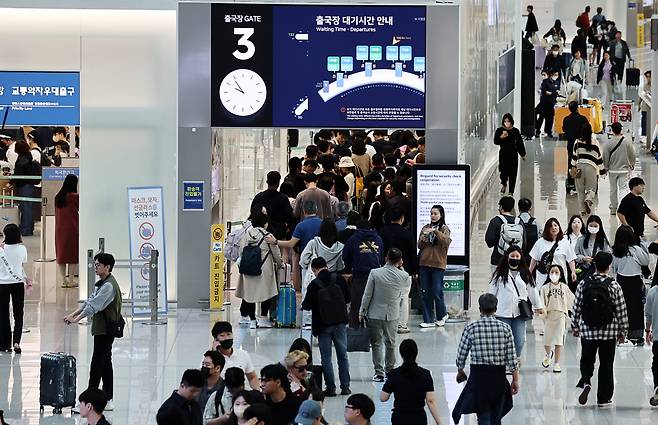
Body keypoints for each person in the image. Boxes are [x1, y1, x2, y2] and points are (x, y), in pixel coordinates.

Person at [65, 252, 122, 412]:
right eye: (95, 264)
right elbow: (88, 301)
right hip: (102, 329)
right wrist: (73, 314)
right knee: (105, 363)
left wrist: (76, 319)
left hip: (105, 331)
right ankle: (108, 398)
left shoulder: (109, 286)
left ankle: (89, 402)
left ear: (107, 267)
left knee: (97, 364)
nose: (95, 267)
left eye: (98, 265)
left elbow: (93, 306)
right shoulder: (103, 283)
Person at [571, 252, 628, 407]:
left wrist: (575, 326)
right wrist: (623, 331)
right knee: (606, 364)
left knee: (587, 360)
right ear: (609, 267)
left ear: (595, 265)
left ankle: (587, 382)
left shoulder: (584, 283)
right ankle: (603, 398)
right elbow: (621, 310)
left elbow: (576, 306)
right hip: (608, 332)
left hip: (588, 331)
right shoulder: (614, 285)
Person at [453, 294, 519, 425]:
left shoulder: (471, 328)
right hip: (498, 379)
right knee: (496, 417)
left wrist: (460, 370)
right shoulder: (505, 329)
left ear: (479, 308)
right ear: (496, 309)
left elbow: (461, 355)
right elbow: (512, 359)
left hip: (479, 378)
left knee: (483, 416)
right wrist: (515, 380)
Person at [301, 257, 351, 397]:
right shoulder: (339, 279)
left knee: (326, 357)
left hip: (323, 325)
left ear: (314, 269)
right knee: (343, 356)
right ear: (326, 266)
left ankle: (331, 388)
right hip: (340, 322)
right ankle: (345, 387)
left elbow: (307, 305)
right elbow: (348, 298)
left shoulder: (314, 284)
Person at [359, 248, 410, 381]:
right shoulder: (403, 276)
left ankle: (379, 372)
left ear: (386, 258)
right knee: (391, 343)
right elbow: (406, 285)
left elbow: (367, 294)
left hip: (374, 313)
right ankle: (390, 370)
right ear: (399, 261)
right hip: (392, 315)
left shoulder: (375, 273)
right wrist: (401, 266)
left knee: (376, 344)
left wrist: (362, 311)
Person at [488, 245, 544, 364]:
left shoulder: (525, 273)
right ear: (507, 257)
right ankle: (504, 361)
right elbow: (492, 291)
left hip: (519, 313)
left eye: (517, 256)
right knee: (503, 340)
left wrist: (539, 306)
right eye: (512, 256)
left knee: (519, 340)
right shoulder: (499, 273)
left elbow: (532, 291)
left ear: (521, 257)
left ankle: (515, 360)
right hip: (502, 312)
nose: (515, 258)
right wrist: (489, 308)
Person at [236, 212, 282, 329]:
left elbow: (241, 251)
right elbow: (276, 253)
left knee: (249, 294)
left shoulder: (247, 234)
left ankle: (252, 321)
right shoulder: (268, 236)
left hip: (249, 268)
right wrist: (280, 264)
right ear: (265, 223)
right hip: (264, 268)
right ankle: (263, 318)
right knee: (266, 293)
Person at [380, 339, 442, 425]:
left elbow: (383, 398)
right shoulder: (426, 374)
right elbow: (430, 401)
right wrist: (439, 422)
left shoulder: (394, 374)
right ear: (416, 353)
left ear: (401, 354)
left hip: (399, 418)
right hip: (419, 418)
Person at [299, 219, 344, 329]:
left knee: (309, 297)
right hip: (329, 279)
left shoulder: (313, 243)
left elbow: (303, 260)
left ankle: (308, 322)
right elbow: (340, 266)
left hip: (313, 276)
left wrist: (308, 266)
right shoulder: (340, 247)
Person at [378, 207, 416, 333]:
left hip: (386, 268)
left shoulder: (382, 233)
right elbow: (412, 254)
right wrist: (415, 271)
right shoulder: (407, 234)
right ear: (402, 218)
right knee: (404, 297)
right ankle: (401, 325)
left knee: (386, 297)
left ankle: (387, 324)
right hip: (404, 270)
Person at [612, 225, 650, 345]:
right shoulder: (636, 249)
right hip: (635, 281)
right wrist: (642, 244)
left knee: (621, 307)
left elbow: (615, 267)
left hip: (621, 280)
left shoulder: (616, 251)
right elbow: (645, 261)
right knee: (637, 307)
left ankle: (621, 333)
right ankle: (637, 334)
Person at [343, 221, 383, 328]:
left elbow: (345, 256)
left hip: (359, 276)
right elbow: (382, 257)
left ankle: (355, 330)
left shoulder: (353, 239)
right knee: (374, 305)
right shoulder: (378, 239)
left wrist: (353, 265)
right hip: (376, 277)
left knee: (356, 305)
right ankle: (374, 331)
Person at [417, 205, 452, 328]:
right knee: (425, 292)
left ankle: (441, 315)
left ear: (441, 215)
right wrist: (424, 237)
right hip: (424, 263)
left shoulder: (444, 229)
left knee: (437, 291)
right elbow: (419, 245)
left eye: (435, 214)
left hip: (438, 264)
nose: (433, 216)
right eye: (431, 213)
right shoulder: (426, 227)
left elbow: (446, 241)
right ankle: (428, 319)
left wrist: (435, 232)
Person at [539, 265, 575, 373]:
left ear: (561, 274)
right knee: (547, 340)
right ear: (549, 274)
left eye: (556, 272)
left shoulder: (564, 287)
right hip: (549, 316)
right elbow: (541, 303)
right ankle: (549, 353)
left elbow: (571, 300)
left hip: (561, 316)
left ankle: (557, 363)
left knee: (559, 340)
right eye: (552, 272)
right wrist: (541, 311)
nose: (554, 274)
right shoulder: (544, 288)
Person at [0, 224, 29, 354]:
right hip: (17, 283)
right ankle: (16, 342)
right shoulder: (22, 249)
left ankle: (5, 344)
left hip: (2, 284)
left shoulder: (1, 249)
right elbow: (21, 265)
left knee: (3, 314)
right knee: (18, 314)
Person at [529, 218, 577, 288]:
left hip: (559, 276)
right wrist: (529, 271)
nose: (553, 228)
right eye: (551, 226)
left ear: (559, 227)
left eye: (555, 225)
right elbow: (534, 258)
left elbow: (571, 259)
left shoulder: (565, 242)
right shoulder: (540, 242)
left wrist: (573, 272)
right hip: (543, 277)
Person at [211, 321, 260, 390]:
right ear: (215, 339)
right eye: (222, 335)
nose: (227, 338)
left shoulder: (243, 354)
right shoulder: (209, 358)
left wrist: (257, 393)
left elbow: (252, 377)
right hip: (220, 396)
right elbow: (206, 380)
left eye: (229, 334)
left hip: (241, 395)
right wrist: (214, 354)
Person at [570, 122, 605, 215]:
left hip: (579, 168)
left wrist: (572, 168)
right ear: (591, 131)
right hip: (591, 168)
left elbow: (574, 157)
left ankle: (582, 211)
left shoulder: (577, 142)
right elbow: (599, 159)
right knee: (591, 189)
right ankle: (588, 199)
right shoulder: (595, 142)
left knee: (580, 190)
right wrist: (602, 172)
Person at [250, 171, 295, 241]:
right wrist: (288, 229)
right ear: (278, 183)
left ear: (267, 181)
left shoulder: (259, 197)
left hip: (261, 235)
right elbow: (289, 217)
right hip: (278, 235)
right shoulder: (283, 198)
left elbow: (252, 213)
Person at [602, 122, 635, 214]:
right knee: (623, 189)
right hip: (624, 170)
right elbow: (632, 154)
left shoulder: (608, 143)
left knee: (613, 189)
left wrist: (606, 167)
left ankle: (613, 208)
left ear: (612, 130)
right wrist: (632, 164)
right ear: (621, 130)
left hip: (612, 170)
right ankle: (622, 207)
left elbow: (605, 156)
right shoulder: (627, 141)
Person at [54, 173, 79, 288]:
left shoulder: (58, 197)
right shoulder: (75, 196)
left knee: (62, 254)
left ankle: (63, 280)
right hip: (72, 227)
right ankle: (71, 280)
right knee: (73, 254)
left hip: (59, 228)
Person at [485, 196, 522, 273]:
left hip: (497, 260)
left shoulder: (495, 221)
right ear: (512, 208)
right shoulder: (519, 222)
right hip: (514, 261)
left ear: (501, 207)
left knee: (497, 283)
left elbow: (489, 242)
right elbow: (524, 244)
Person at [493, 113, 526, 196]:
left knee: (513, 173)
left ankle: (511, 191)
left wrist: (523, 154)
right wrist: (501, 137)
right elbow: (496, 141)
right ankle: (504, 183)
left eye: (508, 121)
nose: (507, 123)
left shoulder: (515, 131)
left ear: (511, 122)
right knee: (503, 171)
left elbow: (519, 143)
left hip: (513, 155)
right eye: (505, 121)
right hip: (503, 154)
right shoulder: (499, 130)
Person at [574, 215, 611, 285]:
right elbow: (575, 255)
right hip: (585, 272)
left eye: (595, 226)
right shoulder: (581, 240)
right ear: (587, 226)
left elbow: (608, 255)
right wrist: (583, 258)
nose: (593, 228)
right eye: (591, 225)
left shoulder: (603, 241)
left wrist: (600, 259)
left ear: (599, 227)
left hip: (600, 273)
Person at [562, 102, 589, 194]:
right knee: (584, 161)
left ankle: (571, 181)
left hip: (571, 145)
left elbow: (564, 129)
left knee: (571, 162)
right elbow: (588, 130)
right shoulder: (583, 119)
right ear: (577, 108)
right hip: (582, 144)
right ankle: (583, 180)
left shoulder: (566, 119)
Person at [12, 140, 37, 236]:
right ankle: (27, 228)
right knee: (27, 207)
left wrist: (11, 181)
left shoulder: (22, 159)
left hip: (24, 185)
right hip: (28, 185)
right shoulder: (28, 156)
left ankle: (26, 229)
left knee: (25, 208)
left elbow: (18, 173)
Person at [198, 350, 226, 417]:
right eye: (203, 364)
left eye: (207, 365)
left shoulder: (224, 387)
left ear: (217, 368)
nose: (204, 367)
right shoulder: (197, 383)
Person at [535, 69, 560, 138]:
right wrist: (554, 92)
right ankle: (537, 130)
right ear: (551, 75)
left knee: (550, 118)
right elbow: (546, 92)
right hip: (544, 103)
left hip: (552, 103)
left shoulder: (557, 82)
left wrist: (553, 93)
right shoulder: (545, 82)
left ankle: (548, 131)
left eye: (557, 75)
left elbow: (557, 92)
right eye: (554, 75)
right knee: (541, 117)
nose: (556, 76)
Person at [645, 283, 658, 406]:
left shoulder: (653, 291)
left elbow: (648, 315)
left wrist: (647, 330)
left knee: (657, 363)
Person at [517, 198, 540, 265]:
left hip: (518, 256)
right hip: (532, 257)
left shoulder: (515, 222)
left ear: (519, 208)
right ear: (530, 208)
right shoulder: (536, 222)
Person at [640, 70, 652, 138]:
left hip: (652, 107)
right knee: (644, 121)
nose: (648, 78)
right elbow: (641, 96)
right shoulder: (644, 86)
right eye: (647, 77)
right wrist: (639, 104)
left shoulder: (655, 86)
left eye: (649, 77)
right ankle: (644, 135)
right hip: (645, 106)